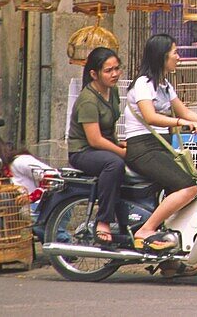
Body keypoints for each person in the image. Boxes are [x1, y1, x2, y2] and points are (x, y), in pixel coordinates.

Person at [123, 34, 197, 255]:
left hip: (159, 145)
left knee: (190, 188)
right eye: (174, 52)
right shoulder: (144, 84)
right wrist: (183, 123)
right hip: (142, 147)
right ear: (161, 57)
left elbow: (185, 111)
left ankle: (169, 257)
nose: (178, 57)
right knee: (189, 186)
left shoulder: (164, 85)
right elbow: (150, 117)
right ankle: (146, 230)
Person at [66, 47, 126, 247]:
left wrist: (123, 144)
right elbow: (95, 140)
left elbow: (109, 129)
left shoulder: (113, 91)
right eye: (109, 70)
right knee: (114, 164)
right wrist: (121, 151)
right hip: (83, 151)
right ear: (94, 73)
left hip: (104, 147)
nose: (115, 74)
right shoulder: (88, 100)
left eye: (117, 68)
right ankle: (104, 221)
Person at [0, 129, 53, 207]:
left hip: (39, 209)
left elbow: (52, 175)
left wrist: (33, 196)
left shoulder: (19, 162)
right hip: (14, 218)